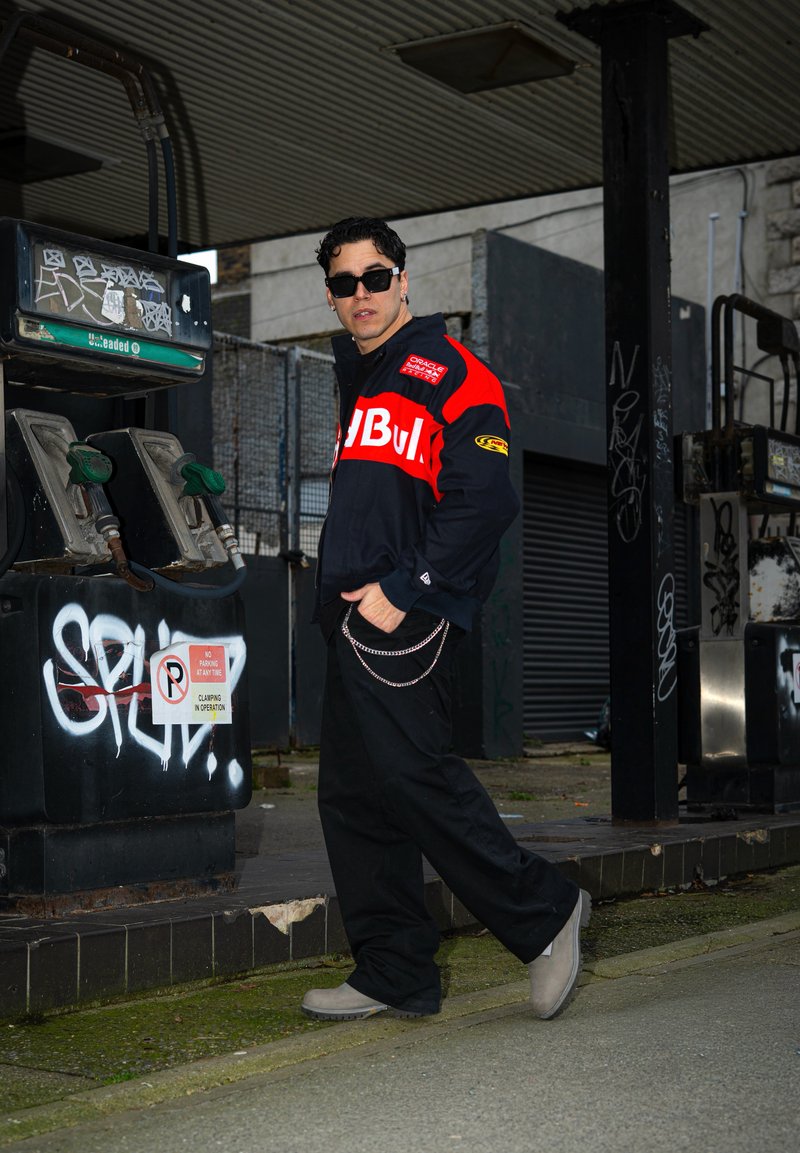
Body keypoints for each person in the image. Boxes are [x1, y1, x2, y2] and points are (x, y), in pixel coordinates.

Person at [302, 217, 589, 1023]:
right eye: (344, 282)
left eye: (376, 275)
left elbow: (488, 497)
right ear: (330, 293)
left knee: (417, 777)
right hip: (354, 613)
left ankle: (544, 913)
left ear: (404, 279)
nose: (361, 294)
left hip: (404, 611)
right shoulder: (360, 379)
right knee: (355, 798)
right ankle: (394, 968)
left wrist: (408, 586)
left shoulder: (448, 369)